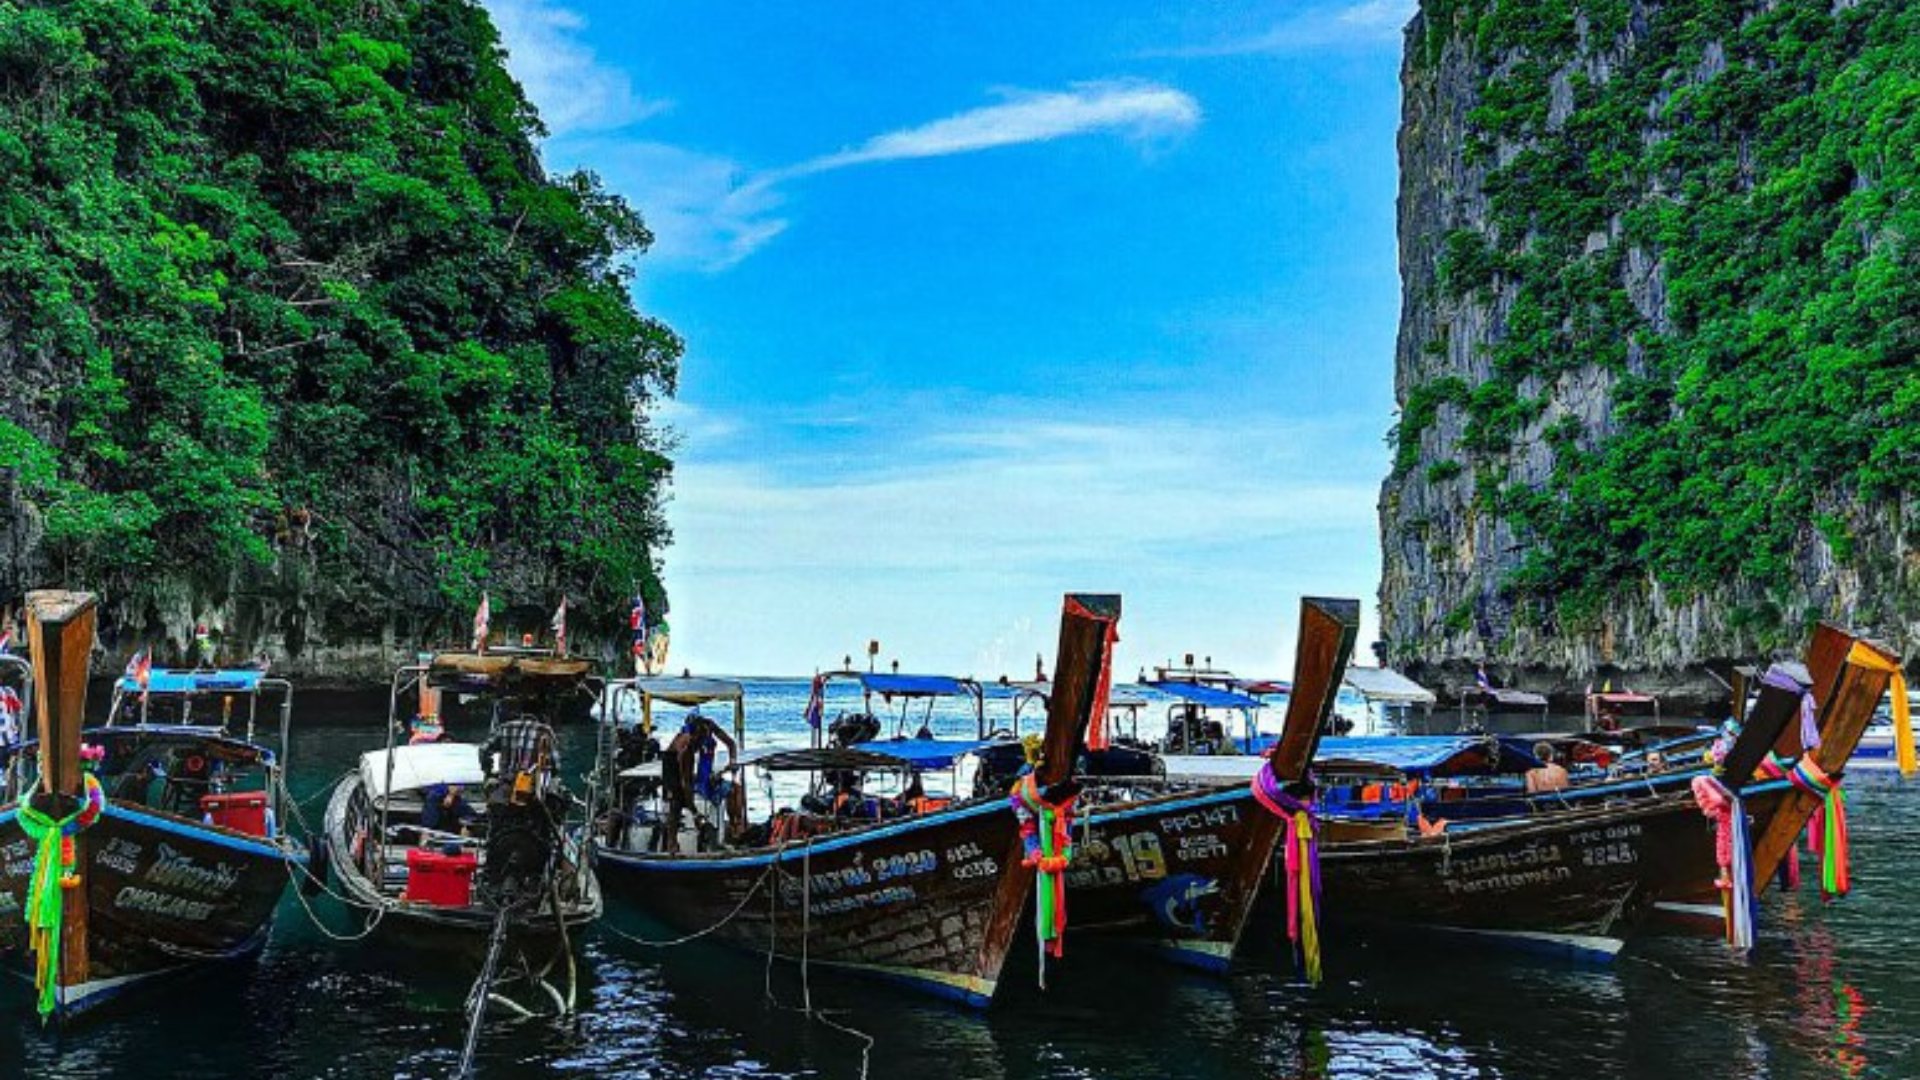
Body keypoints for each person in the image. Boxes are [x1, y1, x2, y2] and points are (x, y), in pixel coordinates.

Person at [658, 709, 738, 852]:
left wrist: (732, 761)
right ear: (694, 735)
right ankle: (672, 842)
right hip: (671, 762)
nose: (703, 741)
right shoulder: (686, 747)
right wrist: (693, 809)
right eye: (701, 738)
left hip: (691, 765)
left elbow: (731, 743)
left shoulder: (709, 726)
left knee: (731, 788)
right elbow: (686, 782)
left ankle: (733, 831)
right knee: (676, 800)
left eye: (706, 736)